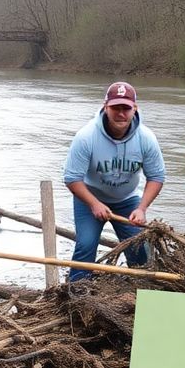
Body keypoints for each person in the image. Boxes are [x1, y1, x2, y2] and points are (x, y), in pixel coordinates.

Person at [63, 81, 166, 281]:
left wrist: (142, 208)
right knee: (85, 245)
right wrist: (94, 204)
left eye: (126, 108)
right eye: (115, 108)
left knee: (139, 249)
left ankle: (140, 292)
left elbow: (156, 177)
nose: (121, 113)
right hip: (89, 198)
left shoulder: (146, 139)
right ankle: (76, 293)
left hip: (127, 201)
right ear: (105, 107)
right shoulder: (86, 137)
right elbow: (72, 178)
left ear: (134, 108)